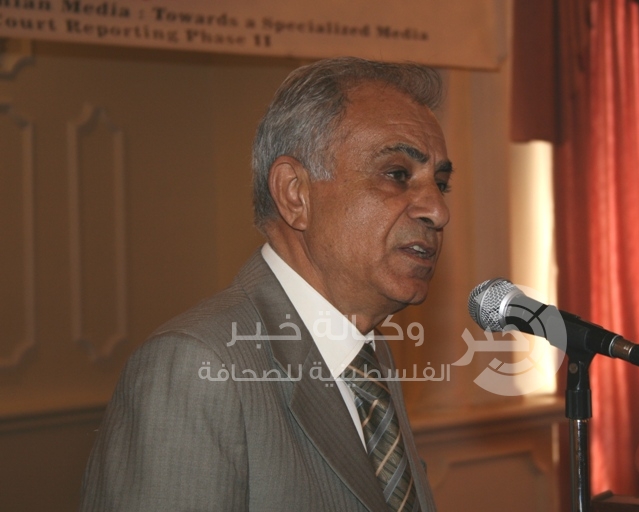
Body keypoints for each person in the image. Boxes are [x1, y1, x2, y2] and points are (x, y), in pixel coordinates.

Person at [79, 57, 452, 512]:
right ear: (295, 194)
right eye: (397, 174)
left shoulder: (368, 359)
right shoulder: (197, 367)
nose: (438, 211)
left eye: (441, 183)